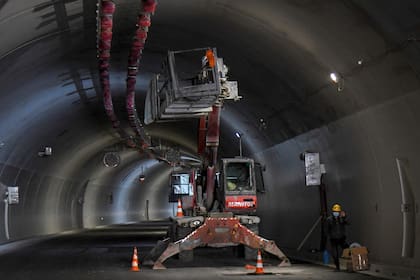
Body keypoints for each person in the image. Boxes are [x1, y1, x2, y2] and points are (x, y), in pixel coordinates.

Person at [326, 203, 349, 271]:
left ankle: (352, 264)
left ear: (339, 212)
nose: (336, 213)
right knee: (335, 254)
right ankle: (337, 267)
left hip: (342, 238)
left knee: (348, 250)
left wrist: (344, 217)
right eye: (335, 212)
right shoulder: (329, 219)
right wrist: (329, 236)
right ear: (333, 212)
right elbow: (326, 230)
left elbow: (348, 223)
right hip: (333, 239)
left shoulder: (341, 218)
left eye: (337, 212)